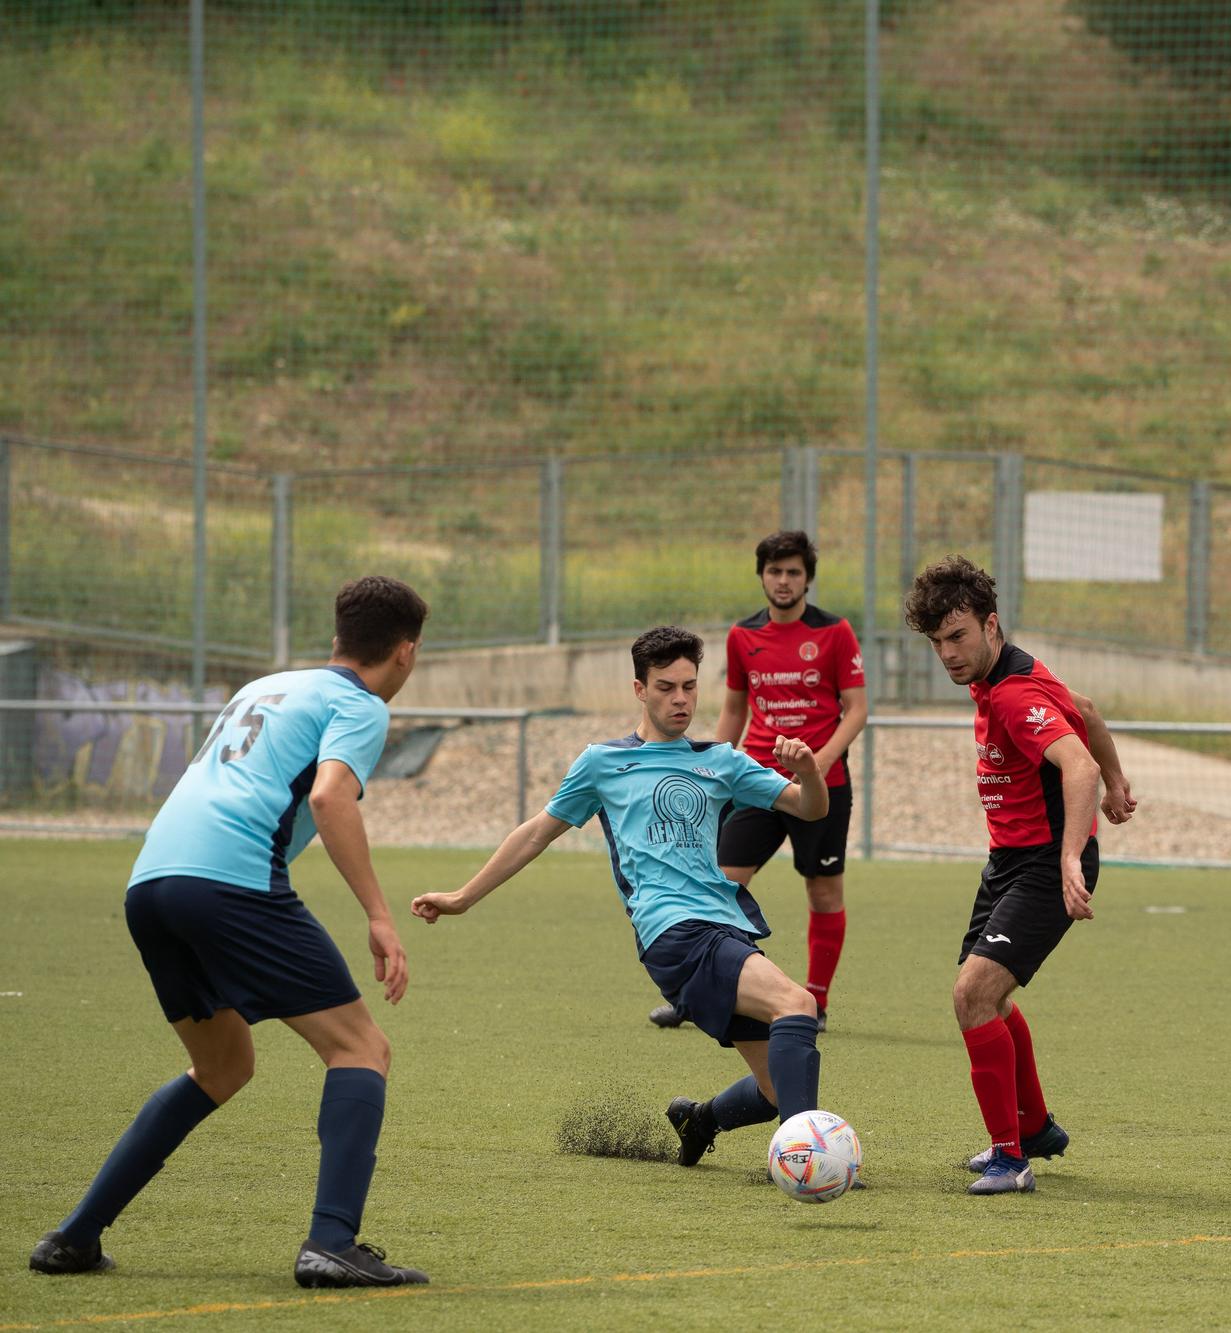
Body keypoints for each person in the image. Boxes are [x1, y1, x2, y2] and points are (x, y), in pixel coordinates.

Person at [29, 576, 431, 1288]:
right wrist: (378, 912)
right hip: (229, 880)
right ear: (404, 652)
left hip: (151, 881)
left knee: (222, 1066)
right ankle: (332, 1242)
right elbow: (330, 794)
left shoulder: (266, 685)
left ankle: (75, 1236)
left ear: (339, 636)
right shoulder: (359, 703)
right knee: (361, 1047)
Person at [412, 626, 832, 1173]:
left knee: (777, 1086)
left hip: (726, 925)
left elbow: (810, 809)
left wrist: (808, 772)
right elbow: (537, 831)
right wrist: (463, 897)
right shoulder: (602, 763)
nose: (680, 699)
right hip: (673, 931)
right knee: (797, 1005)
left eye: (689, 687)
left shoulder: (720, 761)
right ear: (639, 689)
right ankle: (808, 1161)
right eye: (665, 688)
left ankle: (698, 1120)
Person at [903, 556, 1139, 1195]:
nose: (948, 655)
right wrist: (1120, 779)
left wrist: (1070, 854)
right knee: (988, 997)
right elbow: (1084, 709)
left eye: (958, 638)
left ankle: (1011, 1160)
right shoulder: (1011, 671)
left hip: (1042, 863)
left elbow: (1077, 767)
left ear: (991, 624)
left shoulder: (1012, 693)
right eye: (936, 643)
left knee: (972, 995)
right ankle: (1033, 1128)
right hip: (1009, 861)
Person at [649, 531, 866, 1034]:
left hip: (821, 784)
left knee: (824, 893)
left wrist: (815, 764)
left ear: (807, 577)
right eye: (774, 571)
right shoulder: (742, 636)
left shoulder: (835, 633)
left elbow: (856, 710)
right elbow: (733, 709)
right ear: (762, 576)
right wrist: (709, 771)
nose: (783, 580)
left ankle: (816, 1001)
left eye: (793, 571)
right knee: (719, 885)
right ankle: (696, 996)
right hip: (756, 782)